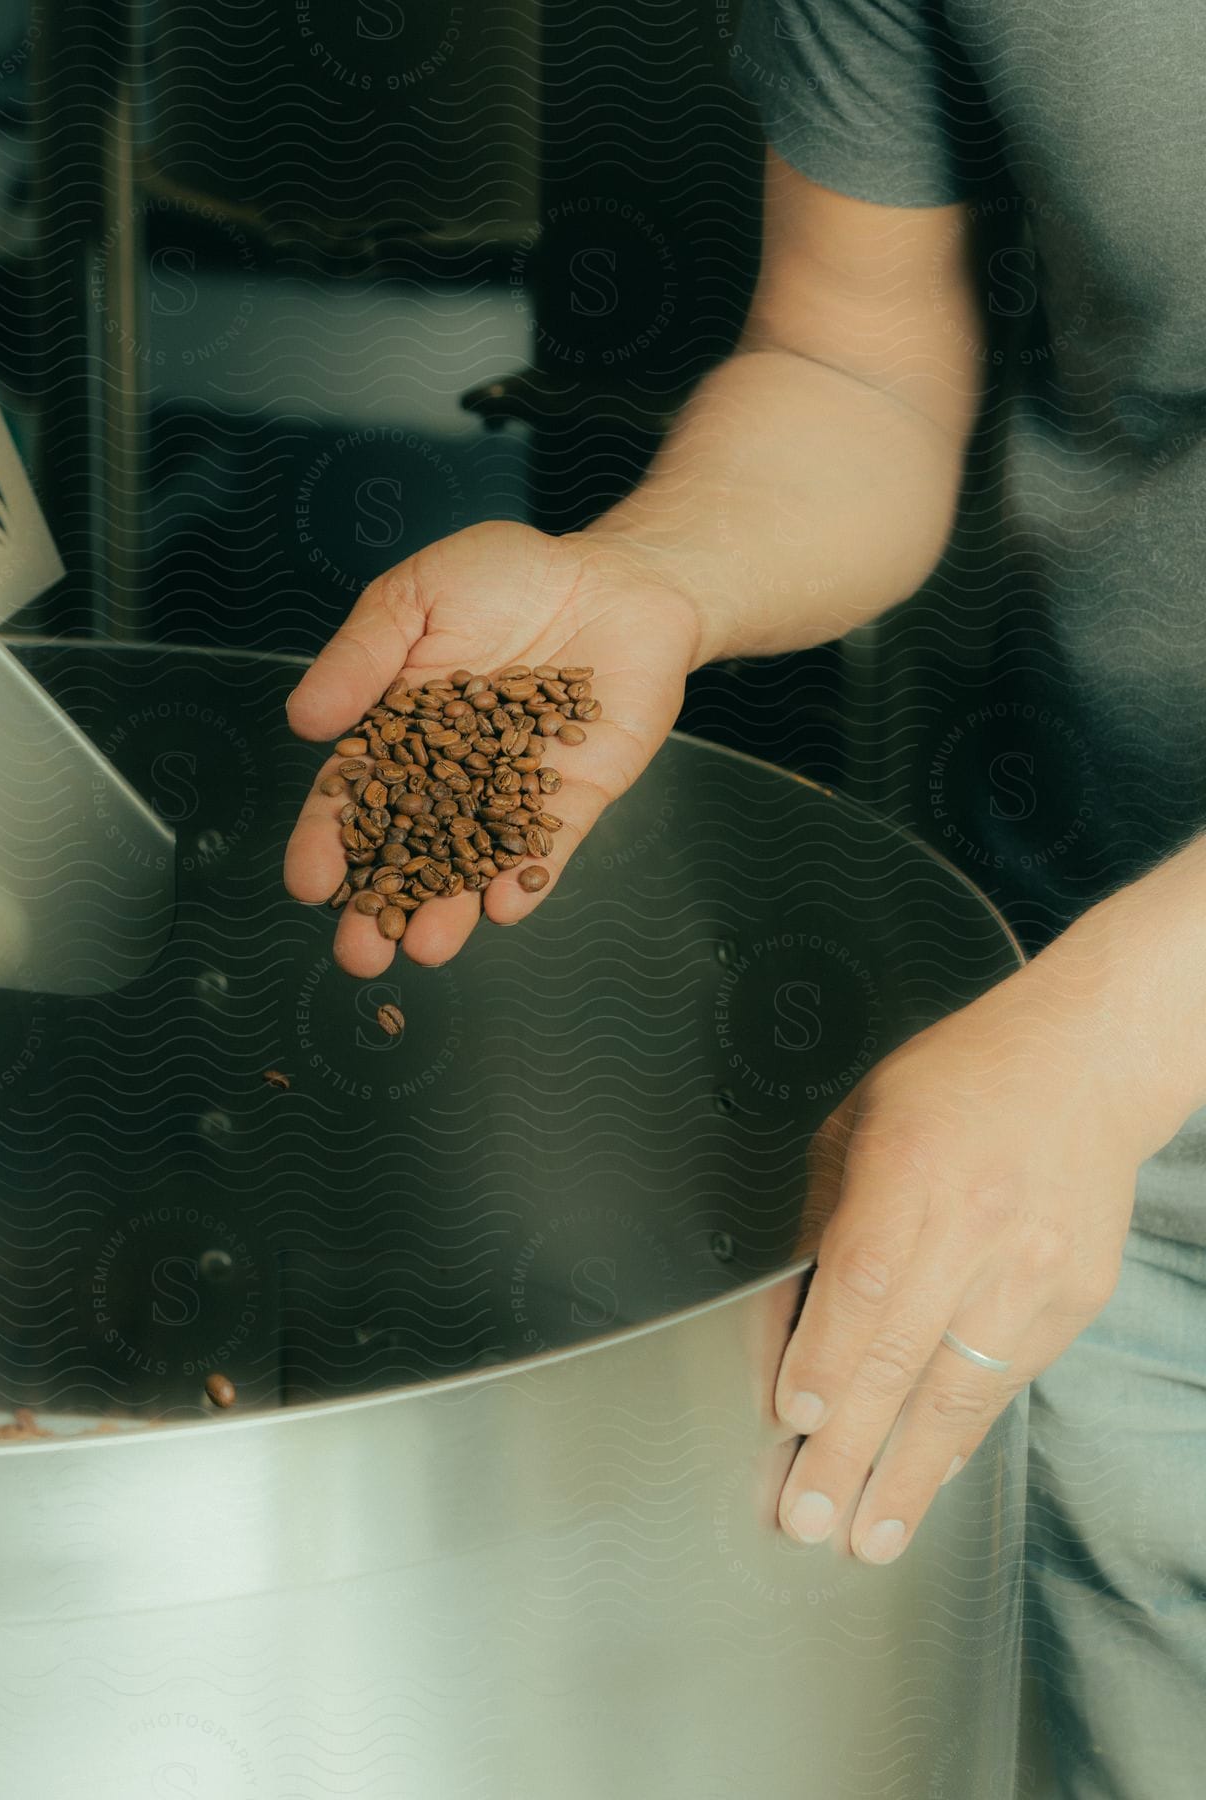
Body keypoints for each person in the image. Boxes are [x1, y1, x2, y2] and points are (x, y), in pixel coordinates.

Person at [284, 4, 1206, 1792]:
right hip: (1088, 1132)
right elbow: (852, 357)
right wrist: (652, 577)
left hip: (1095, 1061)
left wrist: (1120, 1039)